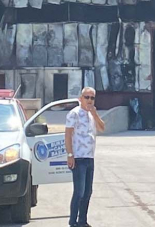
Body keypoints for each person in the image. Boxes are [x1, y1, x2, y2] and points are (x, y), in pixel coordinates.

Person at [65, 87, 105, 227]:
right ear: (80, 98)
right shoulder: (74, 114)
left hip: (89, 158)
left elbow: (102, 128)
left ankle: (82, 221)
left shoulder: (91, 114)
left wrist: (95, 114)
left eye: (92, 98)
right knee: (79, 192)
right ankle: (73, 221)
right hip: (78, 158)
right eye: (86, 97)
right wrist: (70, 155)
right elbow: (68, 135)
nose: (89, 100)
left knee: (88, 192)